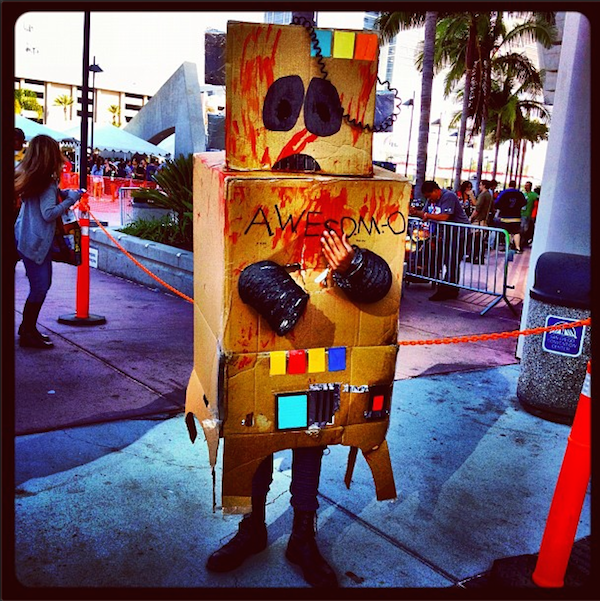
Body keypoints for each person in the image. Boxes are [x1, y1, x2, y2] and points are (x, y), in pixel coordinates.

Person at [205, 228, 393, 589]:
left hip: (322, 350)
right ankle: (252, 528)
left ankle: (302, 537)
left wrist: (354, 267)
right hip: (262, 347)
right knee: (256, 431)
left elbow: (382, 284)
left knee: (310, 436)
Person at [14, 134, 84, 349]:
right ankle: (27, 331)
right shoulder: (45, 181)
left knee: (40, 286)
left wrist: (62, 193)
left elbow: (41, 201)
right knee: (41, 287)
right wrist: (71, 199)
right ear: (49, 154)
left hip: (26, 237)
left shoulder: (29, 176)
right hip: (36, 242)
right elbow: (48, 213)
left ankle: (28, 329)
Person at [493, 180, 527, 253]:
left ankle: (508, 246)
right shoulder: (520, 193)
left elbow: (497, 203)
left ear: (509, 185)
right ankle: (517, 248)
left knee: (507, 232)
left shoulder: (504, 193)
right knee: (516, 232)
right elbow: (524, 203)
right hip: (516, 216)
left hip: (505, 216)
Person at [521, 181, 539, 248]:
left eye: (527, 185)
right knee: (521, 229)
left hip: (528, 215)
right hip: (522, 214)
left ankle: (524, 242)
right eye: (525, 185)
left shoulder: (534, 195)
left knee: (525, 229)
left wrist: (533, 215)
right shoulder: (523, 194)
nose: (526, 187)